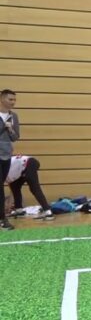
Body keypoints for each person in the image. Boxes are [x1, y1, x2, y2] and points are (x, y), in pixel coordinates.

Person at [6, 155, 53, 220]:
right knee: (14, 187)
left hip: (29, 163)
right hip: (22, 167)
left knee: (34, 189)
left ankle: (48, 212)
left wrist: (8, 205)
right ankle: (19, 210)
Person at [0, 89, 20, 230]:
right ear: (2, 99)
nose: (13, 102)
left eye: (14, 100)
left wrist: (11, 129)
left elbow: (15, 137)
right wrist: (3, 127)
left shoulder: (14, 116)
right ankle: (3, 219)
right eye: (10, 99)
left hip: (6, 155)